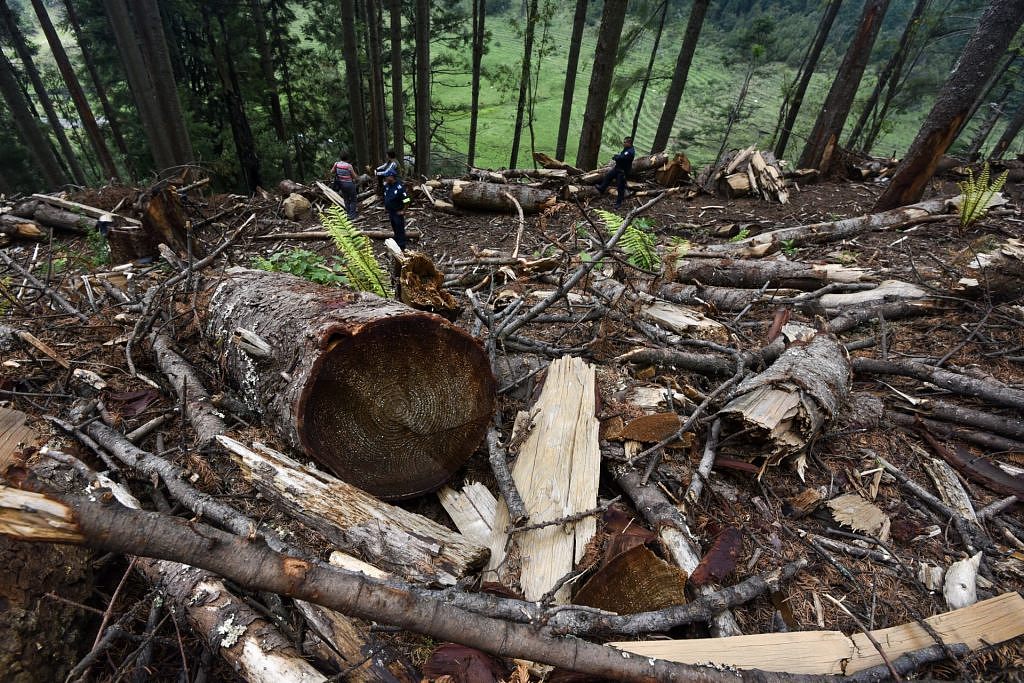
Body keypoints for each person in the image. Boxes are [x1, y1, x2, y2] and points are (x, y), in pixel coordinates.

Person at [596, 136, 636, 208]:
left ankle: (618, 203)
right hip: (617, 169)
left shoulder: (630, 151)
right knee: (608, 176)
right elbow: (621, 156)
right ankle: (602, 188)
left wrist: (616, 157)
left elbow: (622, 158)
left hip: (622, 172)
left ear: (629, 143)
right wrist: (617, 156)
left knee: (620, 187)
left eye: (625, 142)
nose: (623, 143)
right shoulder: (626, 149)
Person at [382, 169, 411, 249]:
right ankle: (396, 242)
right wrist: (386, 207)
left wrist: (403, 211)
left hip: (397, 212)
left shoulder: (400, 188)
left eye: (387, 177)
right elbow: (386, 197)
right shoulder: (387, 186)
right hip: (390, 211)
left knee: (400, 228)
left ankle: (402, 246)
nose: (385, 178)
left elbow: (407, 200)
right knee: (394, 227)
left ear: (392, 177)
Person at [330, 152, 358, 219]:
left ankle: (348, 213)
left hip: (341, 184)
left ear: (340, 157)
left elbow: (332, 171)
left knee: (346, 199)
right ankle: (352, 215)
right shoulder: (349, 166)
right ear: (348, 158)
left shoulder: (336, 164)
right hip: (349, 184)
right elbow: (355, 177)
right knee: (353, 199)